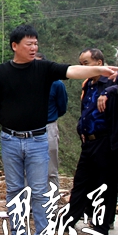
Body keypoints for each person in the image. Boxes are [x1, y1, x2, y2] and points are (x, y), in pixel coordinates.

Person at [0, 25, 118, 235]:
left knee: (40, 191)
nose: (34, 47)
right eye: (29, 44)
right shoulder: (2, 72)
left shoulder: (44, 69)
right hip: (10, 139)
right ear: (15, 46)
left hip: (37, 140)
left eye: (36, 43)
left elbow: (72, 70)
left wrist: (101, 70)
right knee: (14, 189)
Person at [64, 48, 118, 235]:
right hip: (88, 141)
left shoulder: (112, 78)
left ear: (99, 63)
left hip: (106, 141)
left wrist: (108, 91)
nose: (83, 67)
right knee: (81, 181)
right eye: (81, 63)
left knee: (105, 185)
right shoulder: (88, 84)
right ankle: (70, 219)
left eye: (86, 63)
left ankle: (101, 228)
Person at [35, 52, 68, 192]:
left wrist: (49, 117)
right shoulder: (24, 83)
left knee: (50, 169)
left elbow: (62, 107)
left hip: (48, 127)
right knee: (28, 169)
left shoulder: (57, 84)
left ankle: (52, 201)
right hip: (27, 129)